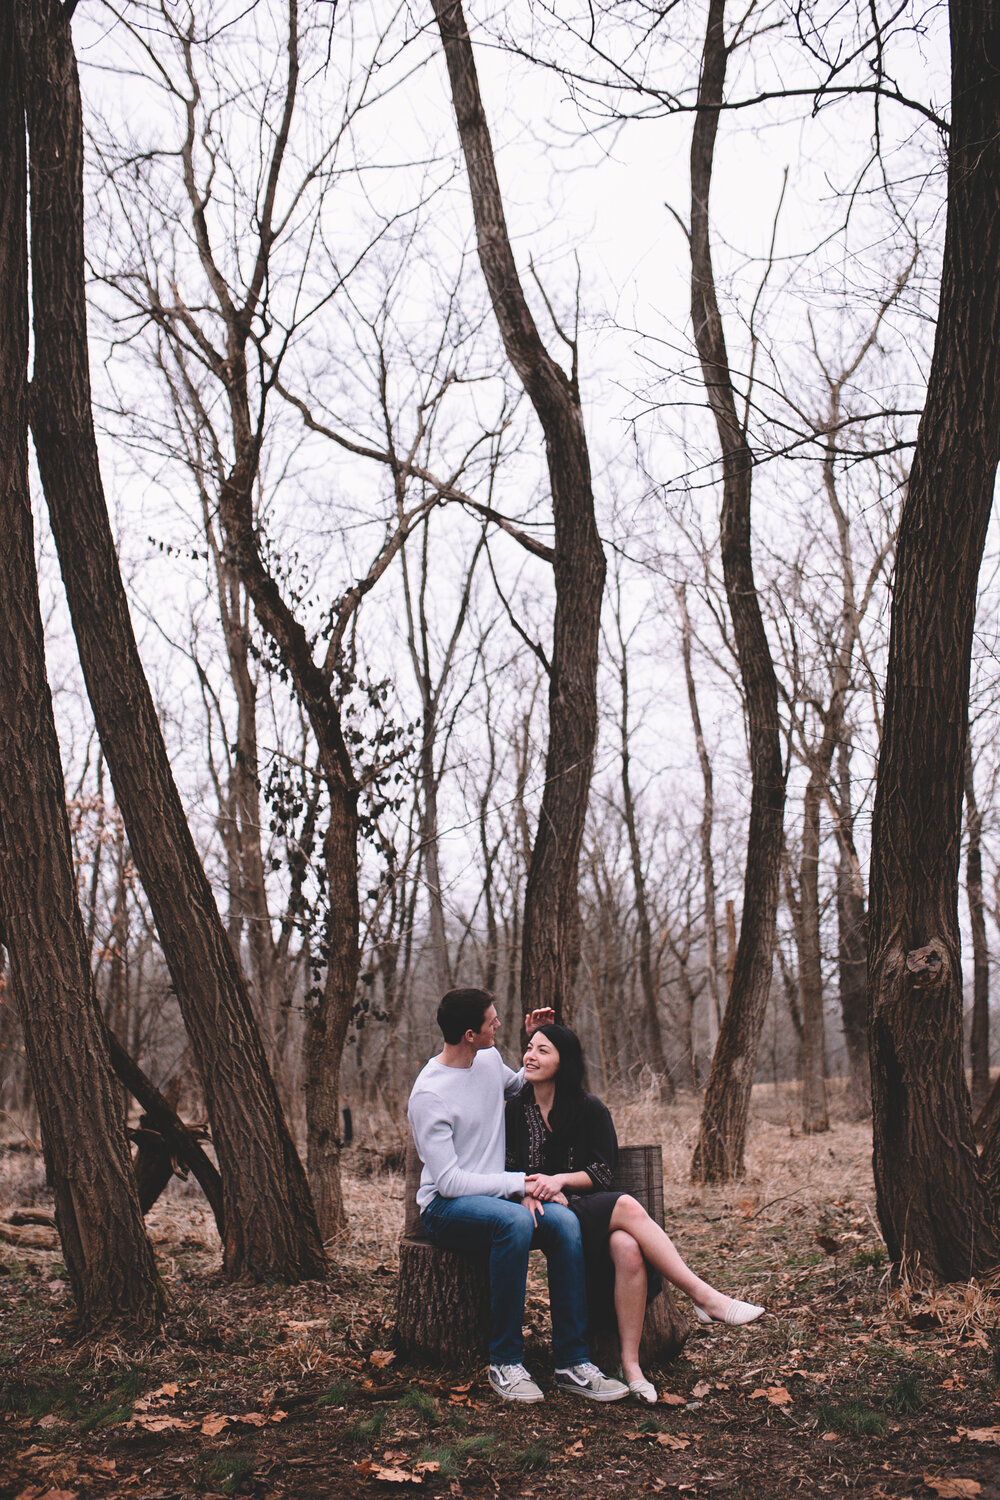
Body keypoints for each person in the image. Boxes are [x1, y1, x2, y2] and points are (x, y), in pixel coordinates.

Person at [506, 1024, 764, 1403]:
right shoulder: (514, 1110)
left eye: (543, 1050)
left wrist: (559, 1180)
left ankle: (632, 1368)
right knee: (626, 1205)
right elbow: (508, 1166)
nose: (531, 1056)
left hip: (581, 1206)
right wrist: (526, 1192)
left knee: (627, 1246)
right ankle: (704, 1297)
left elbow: (601, 1171)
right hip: (539, 1215)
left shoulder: (588, 1108)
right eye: (530, 1048)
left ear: (564, 1061)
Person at [408, 988, 629, 1405]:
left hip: (500, 1197)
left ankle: (571, 1362)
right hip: (446, 1208)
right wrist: (518, 1184)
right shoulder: (429, 1094)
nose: (499, 1025)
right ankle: (505, 1361)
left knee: (564, 1223)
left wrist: (537, 1042)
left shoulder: (488, 1059)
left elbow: (519, 1086)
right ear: (470, 1033)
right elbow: (451, 1182)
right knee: (513, 1222)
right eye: (493, 1021)